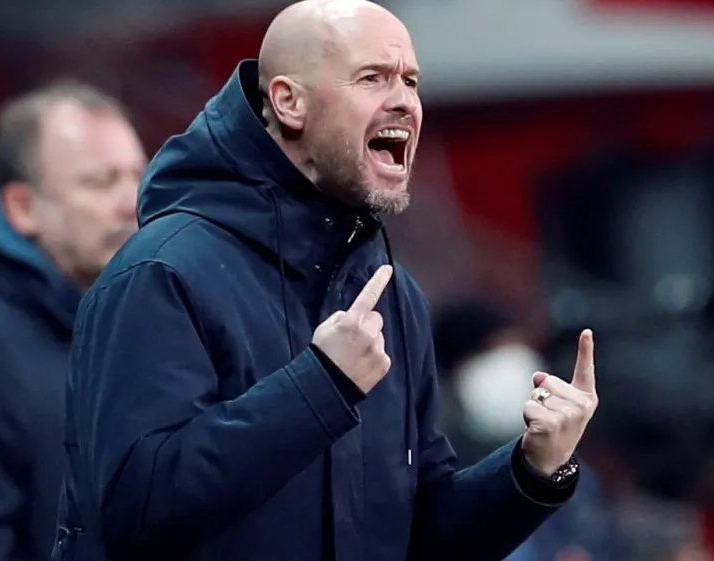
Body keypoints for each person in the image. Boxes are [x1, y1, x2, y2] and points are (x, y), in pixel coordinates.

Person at [53, 1, 598, 560]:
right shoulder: (161, 271)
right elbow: (136, 510)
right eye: (372, 78)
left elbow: (419, 536)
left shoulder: (392, 295)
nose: (404, 101)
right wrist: (321, 387)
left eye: (410, 81)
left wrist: (533, 471)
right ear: (289, 102)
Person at [0, 81, 145, 561]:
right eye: (100, 182)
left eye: (137, 176)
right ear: (22, 207)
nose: (132, 203)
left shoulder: (143, 324)